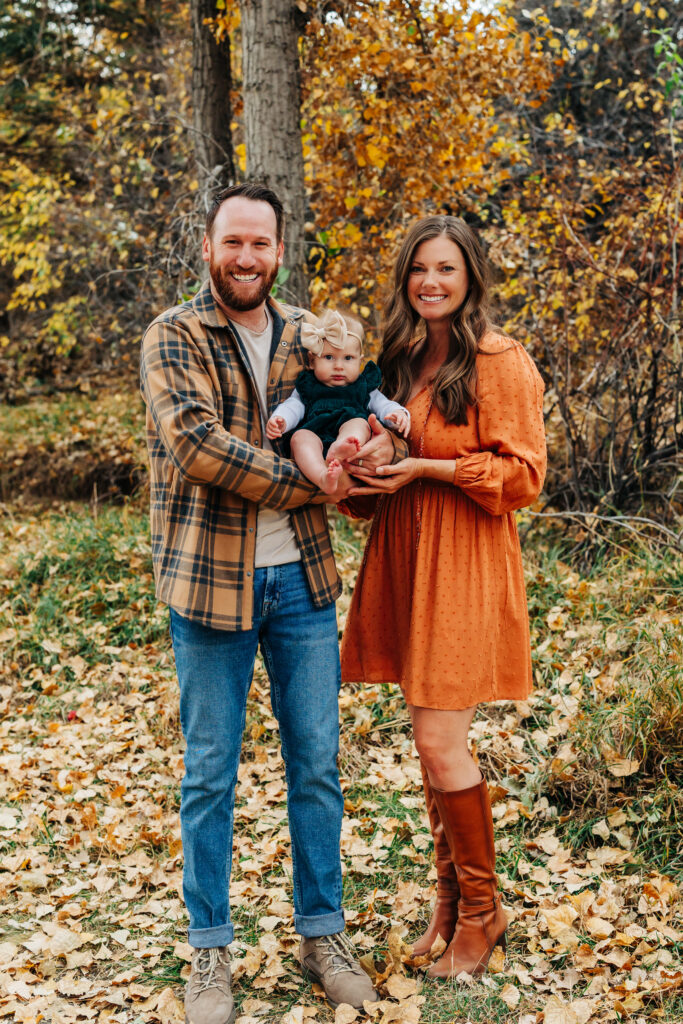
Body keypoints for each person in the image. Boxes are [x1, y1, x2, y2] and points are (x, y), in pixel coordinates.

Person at [140, 183, 405, 1023]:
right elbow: (199, 448)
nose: (246, 257)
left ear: (279, 250)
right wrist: (312, 482)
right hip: (208, 582)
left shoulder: (306, 334)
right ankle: (210, 952)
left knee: (317, 766)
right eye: (233, 242)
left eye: (261, 243)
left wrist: (372, 451)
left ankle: (320, 933)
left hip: (302, 583)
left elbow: (364, 402)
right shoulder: (173, 334)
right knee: (210, 773)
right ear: (210, 245)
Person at [339, 215, 547, 980]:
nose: (430, 282)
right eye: (418, 269)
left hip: (461, 563)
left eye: (446, 270)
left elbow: (524, 477)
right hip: (406, 560)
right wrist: (358, 474)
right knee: (427, 748)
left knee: (439, 745)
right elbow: (380, 467)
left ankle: (484, 912)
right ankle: (450, 904)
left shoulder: (498, 360)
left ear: (470, 279)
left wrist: (428, 470)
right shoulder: (399, 359)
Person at [266, 308, 410, 493]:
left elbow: (383, 405)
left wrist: (396, 414)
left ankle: (343, 446)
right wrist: (281, 420)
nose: (339, 366)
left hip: (349, 437)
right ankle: (322, 476)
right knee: (299, 438)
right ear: (312, 361)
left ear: (360, 361)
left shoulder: (363, 386)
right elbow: (293, 406)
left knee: (359, 423)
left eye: (348, 358)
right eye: (329, 357)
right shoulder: (308, 385)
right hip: (315, 435)